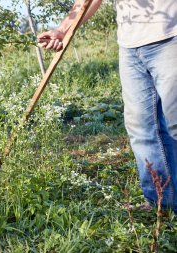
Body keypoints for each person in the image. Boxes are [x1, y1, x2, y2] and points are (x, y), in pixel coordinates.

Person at [38, 0, 177, 213]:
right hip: (130, 47)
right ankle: (162, 203)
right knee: (141, 128)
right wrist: (63, 30)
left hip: (170, 36)